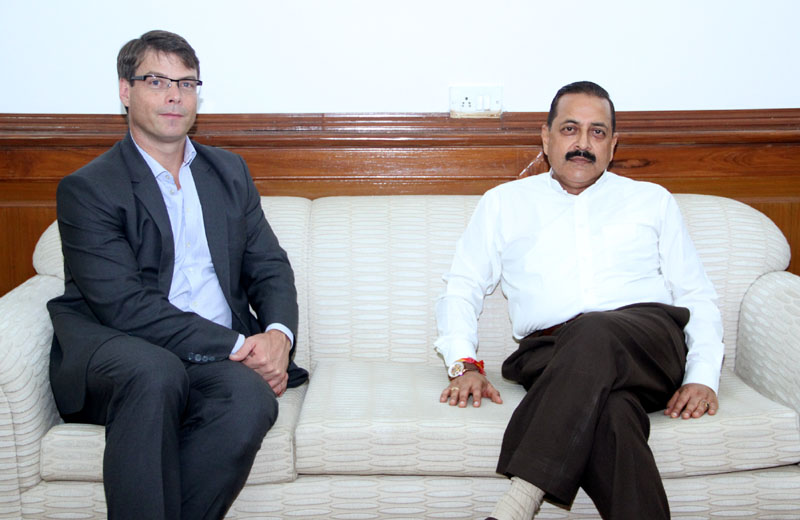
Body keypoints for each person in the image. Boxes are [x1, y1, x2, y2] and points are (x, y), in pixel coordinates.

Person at [47, 30, 308, 520]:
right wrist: (240, 346)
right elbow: (124, 307)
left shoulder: (228, 172)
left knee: (250, 398)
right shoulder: (89, 189)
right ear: (125, 92)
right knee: (155, 372)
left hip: (211, 358)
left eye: (186, 83)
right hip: (118, 348)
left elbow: (269, 265)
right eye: (157, 81)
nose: (174, 95)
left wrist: (277, 336)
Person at [434, 81, 723, 520]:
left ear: (613, 144)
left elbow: (695, 294)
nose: (583, 144)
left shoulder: (651, 201)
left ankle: (518, 502)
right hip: (552, 353)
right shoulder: (504, 204)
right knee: (613, 416)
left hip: (648, 344)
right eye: (570, 129)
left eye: (597, 132)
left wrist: (703, 376)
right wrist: (463, 363)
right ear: (546, 137)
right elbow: (462, 286)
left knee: (594, 329)